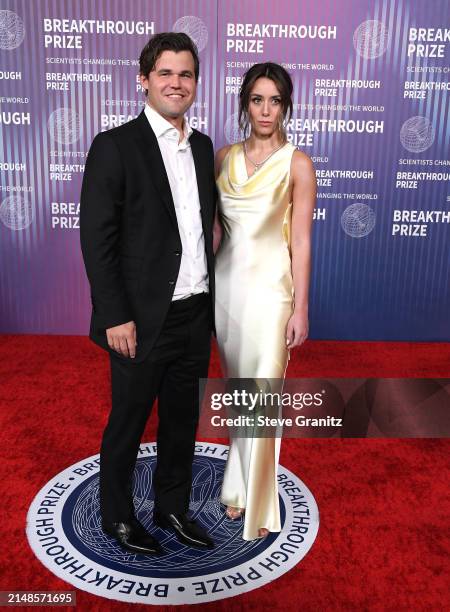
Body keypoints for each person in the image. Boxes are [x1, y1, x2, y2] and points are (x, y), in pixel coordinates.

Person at [80, 32, 216, 555]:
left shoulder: (202, 147)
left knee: (182, 421)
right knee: (129, 422)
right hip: (138, 318)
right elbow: (98, 239)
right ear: (143, 80)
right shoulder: (115, 146)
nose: (176, 83)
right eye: (165, 73)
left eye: (185, 74)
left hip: (194, 312)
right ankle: (118, 517)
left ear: (196, 84)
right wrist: (115, 315)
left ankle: (172, 508)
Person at [214, 62, 316, 540]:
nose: (266, 109)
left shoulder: (298, 163)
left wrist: (300, 307)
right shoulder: (222, 157)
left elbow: (301, 240)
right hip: (227, 293)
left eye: (275, 100)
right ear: (244, 104)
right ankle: (236, 486)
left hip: (272, 294)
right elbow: (215, 232)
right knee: (239, 393)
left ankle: (258, 501)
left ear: (286, 105)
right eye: (258, 99)